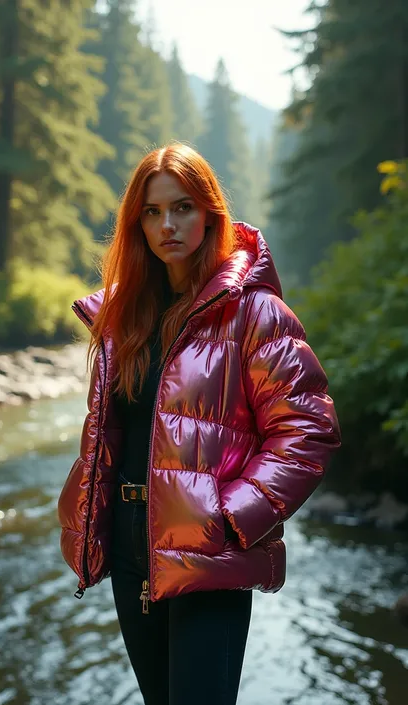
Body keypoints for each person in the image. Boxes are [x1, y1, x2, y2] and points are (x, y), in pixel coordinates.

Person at [58, 143, 341, 705]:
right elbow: (109, 435)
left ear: (211, 213)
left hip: (207, 552)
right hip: (127, 548)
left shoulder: (254, 312)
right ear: (136, 223)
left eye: (183, 207)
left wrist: (233, 519)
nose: (168, 224)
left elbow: (308, 429)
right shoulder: (124, 319)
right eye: (152, 211)